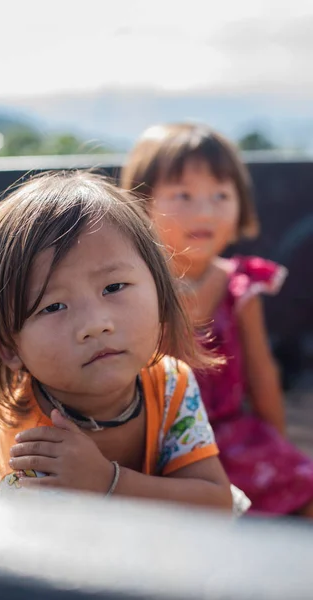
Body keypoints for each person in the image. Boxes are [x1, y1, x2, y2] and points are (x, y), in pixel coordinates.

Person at [0, 171, 233, 510]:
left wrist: (108, 482)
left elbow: (216, 504)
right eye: (54, 306)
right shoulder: (31, 446)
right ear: (8, 346)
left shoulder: (169, 383)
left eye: (114, 287)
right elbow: (28, 556)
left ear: (162, 293)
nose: (95, 324)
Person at [121, 123, 313, 517]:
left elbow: (262, 375)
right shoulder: (134, 287)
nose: (205, 211)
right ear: (141, 205)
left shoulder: (240, 285)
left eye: (220, 195)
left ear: (241, 204)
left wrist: (278, 449)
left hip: (232, 437)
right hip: (158, 443)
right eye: (183, 195)